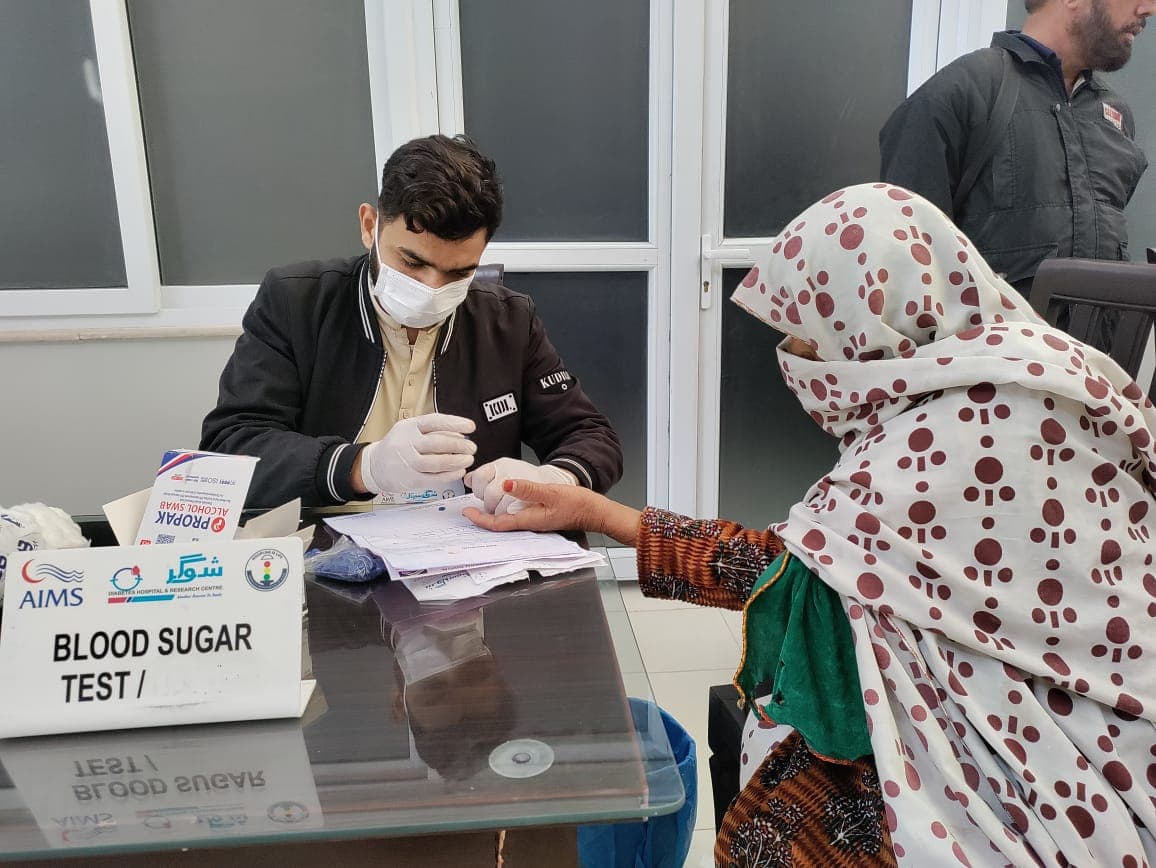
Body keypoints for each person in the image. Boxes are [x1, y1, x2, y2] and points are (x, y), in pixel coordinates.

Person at [466, 184, 1156, 865]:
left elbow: (790, 577)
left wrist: (594, 510)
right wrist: (590, 510)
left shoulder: (944, 441)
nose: (794, 352)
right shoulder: (1034, 370)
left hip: (1031, 748)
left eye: (806, 329)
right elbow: (818, 565)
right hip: (1103, 707)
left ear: (872, 316)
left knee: (766, 836)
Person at [200, 134, 622, 511]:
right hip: (327, 548)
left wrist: (554, 478)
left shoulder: (508, 321)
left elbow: (590, 435)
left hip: (466, 549)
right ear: (370, 226)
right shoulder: (296, 302)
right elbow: (232, 447)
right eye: (412, 262)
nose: (432, 287)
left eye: (458, 272)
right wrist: (361, 467)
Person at [880, 0, 1151, 297]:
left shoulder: (1114, 116)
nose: (1149, 8)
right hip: (987, 343)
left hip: (1096, 345)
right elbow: (907, 268)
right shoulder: (963, 93)